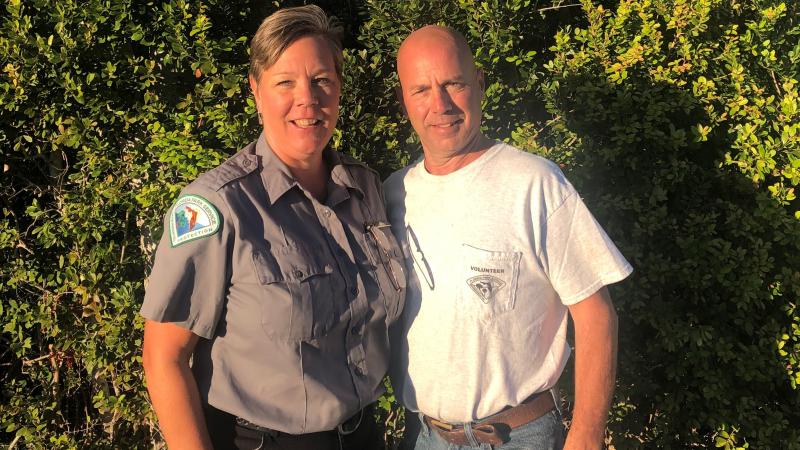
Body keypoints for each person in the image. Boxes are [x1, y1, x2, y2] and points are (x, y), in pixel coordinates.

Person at [140, 5, 406, 450]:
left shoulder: (365, 188)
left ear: (338, 89)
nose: (308, 99)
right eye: (286, 82)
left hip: (365, 435)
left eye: (322, 80)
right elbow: (163, 358)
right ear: (256, 90)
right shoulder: (218, 206)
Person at [384, 25, 633, 450]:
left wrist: (587, 434)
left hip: (517, 436)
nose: (439, 104)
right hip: (424, 436)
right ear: (404, 100)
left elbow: (596, 314)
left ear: (478, 84)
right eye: (421, 89)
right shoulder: (393, 193)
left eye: (453, 83)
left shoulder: (534, 183)